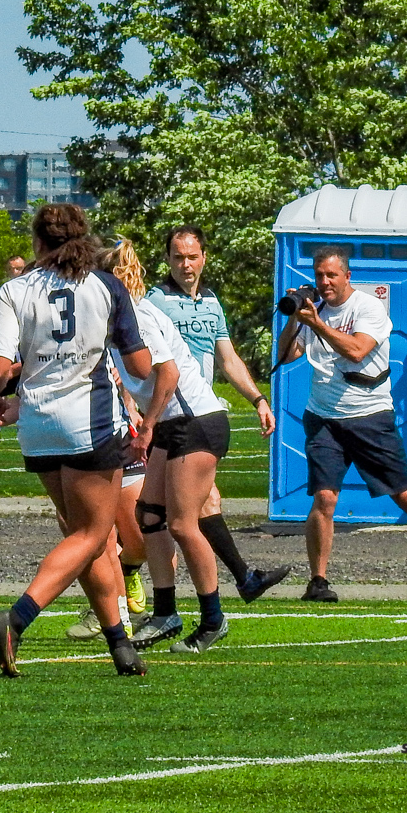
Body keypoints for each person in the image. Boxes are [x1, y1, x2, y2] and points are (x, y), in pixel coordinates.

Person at [0, 203, 152, 678]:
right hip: (91, 421)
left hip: (38, 425)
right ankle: (17, 618)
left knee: (83, 538)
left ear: (37, 242)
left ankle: (120, 646)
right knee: (92, 536)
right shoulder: (105, 286)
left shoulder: (13, 290)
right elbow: (143, 365)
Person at [281, 246, 407, 603]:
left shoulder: (368, 307)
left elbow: (357, 351)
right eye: (319, 276)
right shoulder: (316, 311)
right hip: (324, 417)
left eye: (331, 275)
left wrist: (318, 324)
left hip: (370, 415)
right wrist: (295, 317)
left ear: (347, 276)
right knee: (324, 497)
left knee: (405, 494)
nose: (324, 283)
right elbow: (286, 355)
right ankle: (318, 581)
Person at [145, 226, 290, 602]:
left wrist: (258, 399)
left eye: (192, 257)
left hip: (197, 417)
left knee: (193, 507)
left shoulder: (210, 303)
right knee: (160, 516)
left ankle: (237, 582)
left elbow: (228, 359)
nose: (186, 264)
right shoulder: (155, 300)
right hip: (172, 417)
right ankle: (133, 590)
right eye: (178, 257)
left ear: (204, 257)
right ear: (167, 260)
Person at [105, 240, 236, 653]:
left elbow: (169, 374)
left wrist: (147, 428)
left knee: (182, 524)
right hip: (177, 422)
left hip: (195, 421)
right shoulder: (121, 313)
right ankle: (165, 613)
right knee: (149, 514)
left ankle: (213, 620)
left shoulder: (138, 316)